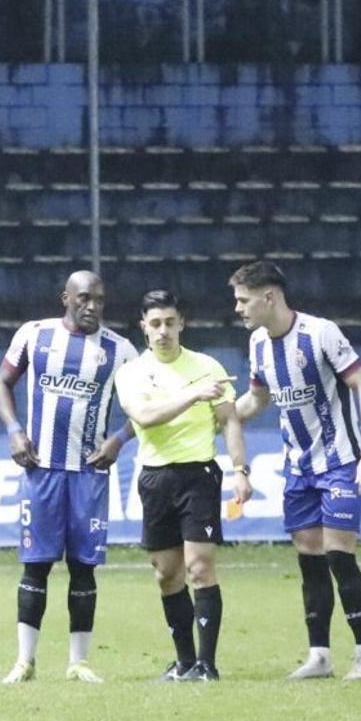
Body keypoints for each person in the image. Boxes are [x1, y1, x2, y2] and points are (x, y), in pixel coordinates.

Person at [229, 261, 361, 681]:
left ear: (269, 297)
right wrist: (220, 414)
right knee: (310, 561)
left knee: (339, 555)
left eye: (243, 300)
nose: (238, 309)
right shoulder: (259, 343)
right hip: (296, 469)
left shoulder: (321, 333)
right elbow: (257, 401)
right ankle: (320, 656)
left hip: (339, 463)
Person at [0, 270, 137, 684]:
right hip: (41, 470)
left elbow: (147, 402)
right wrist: (14, 430)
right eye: (84, 298)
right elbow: (2, 383)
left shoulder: (120, 350)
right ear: (66, 299)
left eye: (100, 300)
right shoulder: (34, 336)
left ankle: (79, 662)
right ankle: (24, 662)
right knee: (35, 565)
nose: (92, 306)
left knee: (83, 567)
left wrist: (120, 439)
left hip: (89, 474)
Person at [113, 290, 252, 681]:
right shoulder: (131, 373)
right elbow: (144, 415)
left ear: (181, 324)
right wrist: (192, 394)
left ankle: (208, 665)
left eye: (170, 323)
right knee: (167, 574)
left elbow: (229, 420)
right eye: (155, 324)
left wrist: (241, 469)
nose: (163, 331)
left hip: (198, 475)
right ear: (143, 327)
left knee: (199, 567)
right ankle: (185, 662)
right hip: (155, 478)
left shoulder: (207, 366)